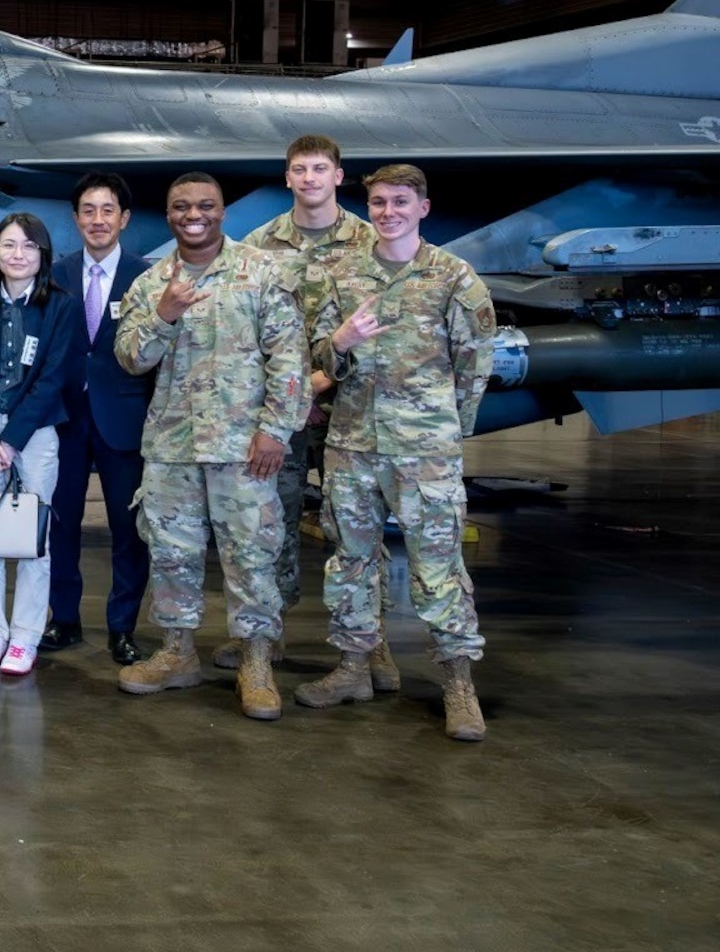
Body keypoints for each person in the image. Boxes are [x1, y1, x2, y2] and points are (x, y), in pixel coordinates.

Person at [295, 164, 496, 741]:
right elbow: (320, 361)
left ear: (423, 208)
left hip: (424, 452)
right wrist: (341, 342)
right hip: (354, 445)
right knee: (351, 560)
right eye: (379, 202)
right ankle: (355, 667)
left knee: (438, 567)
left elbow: (473, 367)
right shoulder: (341, 274)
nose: (388, 212)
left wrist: (442, 431)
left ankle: (458, 683)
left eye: (400, 202)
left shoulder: (454, 279)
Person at [113, 172, 309, 720]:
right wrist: (164, 315)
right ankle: (177, 654)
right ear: (169, 213)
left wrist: (276, 430)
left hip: (244, 447)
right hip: (173, 445)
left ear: (222, 210)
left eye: (204, 205)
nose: (192, 214)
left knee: (251, 556)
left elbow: (290, 358)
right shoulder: (152, 283)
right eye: (180, 206)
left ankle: (257, 662)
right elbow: (131, 357)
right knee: (172, 555)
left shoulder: (262, 273)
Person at [231, 134, 376, 670]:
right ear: (287, 177)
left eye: (321, 168)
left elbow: (382, 329)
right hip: (285, 414)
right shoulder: (258, 246)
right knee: (271, 523)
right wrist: (296, 396)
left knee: (357, 528)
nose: (310, 178)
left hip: (352, 411)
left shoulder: (370, 241)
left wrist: (322, 383)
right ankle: (268, 636)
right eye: (300, 169)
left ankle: (369, 643)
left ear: (339, 176)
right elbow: (249, 334)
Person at [0, 212, 82, 675]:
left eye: (29, 247)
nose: (18, 255)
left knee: (35, 539)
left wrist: (11, 441)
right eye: (9, 245)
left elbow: (51, 380)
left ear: (43, 255)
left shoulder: (61, 306)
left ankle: (25, 636)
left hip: (35, 434)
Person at [47, 172, 154, 665]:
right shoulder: (55, 274)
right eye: (88, 210)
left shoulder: (147, 276)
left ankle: (122, 627)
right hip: (64, 419)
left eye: (107, 210)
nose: (97, 220)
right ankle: (63, 619)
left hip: (124, 418)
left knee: (127, 529)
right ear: (75, 219)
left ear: (124, 218)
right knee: (60, 523)